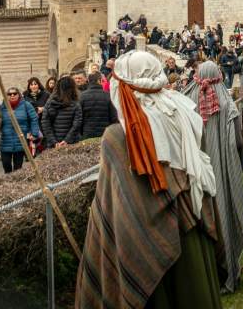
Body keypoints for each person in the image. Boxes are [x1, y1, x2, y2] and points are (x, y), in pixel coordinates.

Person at [75, 50, 223, 308]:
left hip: (150, 244)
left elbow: (114, 208)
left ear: (123, 87)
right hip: (194, 229)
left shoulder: (117, 137)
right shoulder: (184, 113)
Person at [182, 61, 243, 294]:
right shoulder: (225, 102)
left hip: (195, 173)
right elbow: (238, 142)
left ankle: (206, 279)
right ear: (218, 75)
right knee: (224, 214)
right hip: (219, 172)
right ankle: (229, 274)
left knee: (200, 218)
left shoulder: (187, 101)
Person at [0, 86, 41, 172]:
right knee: (6, 165)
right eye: (9, 94)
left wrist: (34, 133)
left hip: (20, 141)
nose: (12, 95)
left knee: (18, 168)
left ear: (19, 95)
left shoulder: (26, 105)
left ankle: (16, 184)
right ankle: (8, 183)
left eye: (15, 93)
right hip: (6, 141)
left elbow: (34, 118)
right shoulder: (2, 107)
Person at [42, 76, 83, 149]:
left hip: (54, 143)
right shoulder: (75, 103)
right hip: (72, 142)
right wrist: (66, 140)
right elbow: (77, 124)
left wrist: (54, 141)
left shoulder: (50, 102)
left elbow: (45, 123)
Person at [80, 72, 118, 140]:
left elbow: (79, 117)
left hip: (87, 133)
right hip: (105, 133)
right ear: (99, 81)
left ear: (88, 81)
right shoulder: (108, 95)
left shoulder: (82, 96)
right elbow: (114, 117)